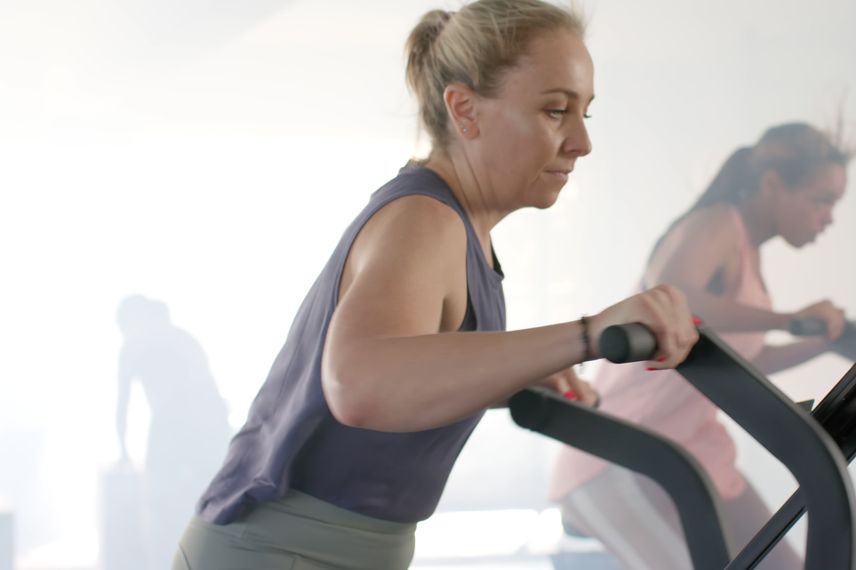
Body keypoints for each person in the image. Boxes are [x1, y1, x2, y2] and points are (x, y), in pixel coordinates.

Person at [171, 2, 699, 569]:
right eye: (554, 111)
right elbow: (360, 385)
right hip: (281, 550)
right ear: (464, 109)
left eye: (584, 115)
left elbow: (409, 375)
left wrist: (516, 374)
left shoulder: (462, 227)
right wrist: (587, 334)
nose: (580, 142)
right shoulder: (425, 218)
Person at [549, 122, 856, 570]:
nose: (829, 217)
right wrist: (790, 321)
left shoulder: (749, 253)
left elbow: (742, 361)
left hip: (691, 451)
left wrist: (823, 342)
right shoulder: (717, 224)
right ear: (773, 185)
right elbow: (673, 296)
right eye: (822, 200)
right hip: (621, 455)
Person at [114, 295, 231, 570]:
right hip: (180, 429)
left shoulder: (174, 342)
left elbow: (208, 392)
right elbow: (122, 402)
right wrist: (123, 449)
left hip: (193, 428)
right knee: (168, 506)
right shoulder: (146, 346)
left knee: (190, 505)